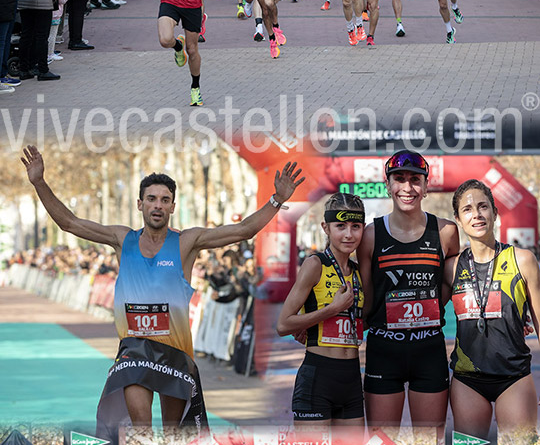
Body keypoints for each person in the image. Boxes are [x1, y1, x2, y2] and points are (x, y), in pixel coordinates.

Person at [21, 145, 304, 429]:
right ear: (140, 204)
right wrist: (39, 182)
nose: (158, 205)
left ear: (172, 207)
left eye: (164, 200)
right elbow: (69, 223)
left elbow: (243, 230)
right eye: (152, 199)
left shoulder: (187, 242)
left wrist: (277, 200)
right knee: (141, 427)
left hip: (175, 353)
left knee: (173, 434)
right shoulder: (122, 238)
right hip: (134, 349)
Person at [359, 150, 459, 427]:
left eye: (415, 179)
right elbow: (366, 299)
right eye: (399, 179)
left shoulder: (446, 232)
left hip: (429, 349)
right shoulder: (370, 235)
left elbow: (454, 283)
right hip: (383, 350)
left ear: (426, 187)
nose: (407, 187)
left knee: (431, 443)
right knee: (382, 441)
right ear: (388, 185)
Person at [445, 179, 540, 438]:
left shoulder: (523, 260)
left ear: (495, 213)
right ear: (458, 219)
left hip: (514, 376)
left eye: (483, 206)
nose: (476, 214)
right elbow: (427, 314)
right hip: (467, 381)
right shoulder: (451, 267)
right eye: (467, 210)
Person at [278, 192, 365, 424]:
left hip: (352, 380)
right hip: (318, 378)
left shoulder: (359, 272)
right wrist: (330, 310)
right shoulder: (315, 264)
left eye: (356, 226)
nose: (349, 234)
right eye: (341, 226)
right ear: (325, 227)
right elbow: (283, 324)